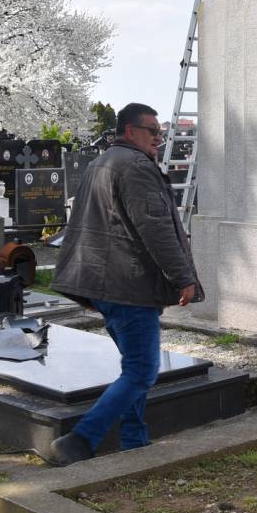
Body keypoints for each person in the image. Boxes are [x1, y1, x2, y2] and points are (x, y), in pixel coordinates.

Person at [47, 101, 200, 465]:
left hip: (107, 284)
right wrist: (183, 277)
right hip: (129, 285)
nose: (158, 139)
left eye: (160, 133)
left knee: (133, 369)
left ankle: (134, 440)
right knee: (142, 371)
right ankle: (80, 439)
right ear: (131, 131)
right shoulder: (136, 166)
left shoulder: (102, 162)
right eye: (153, 132)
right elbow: (156, 229)